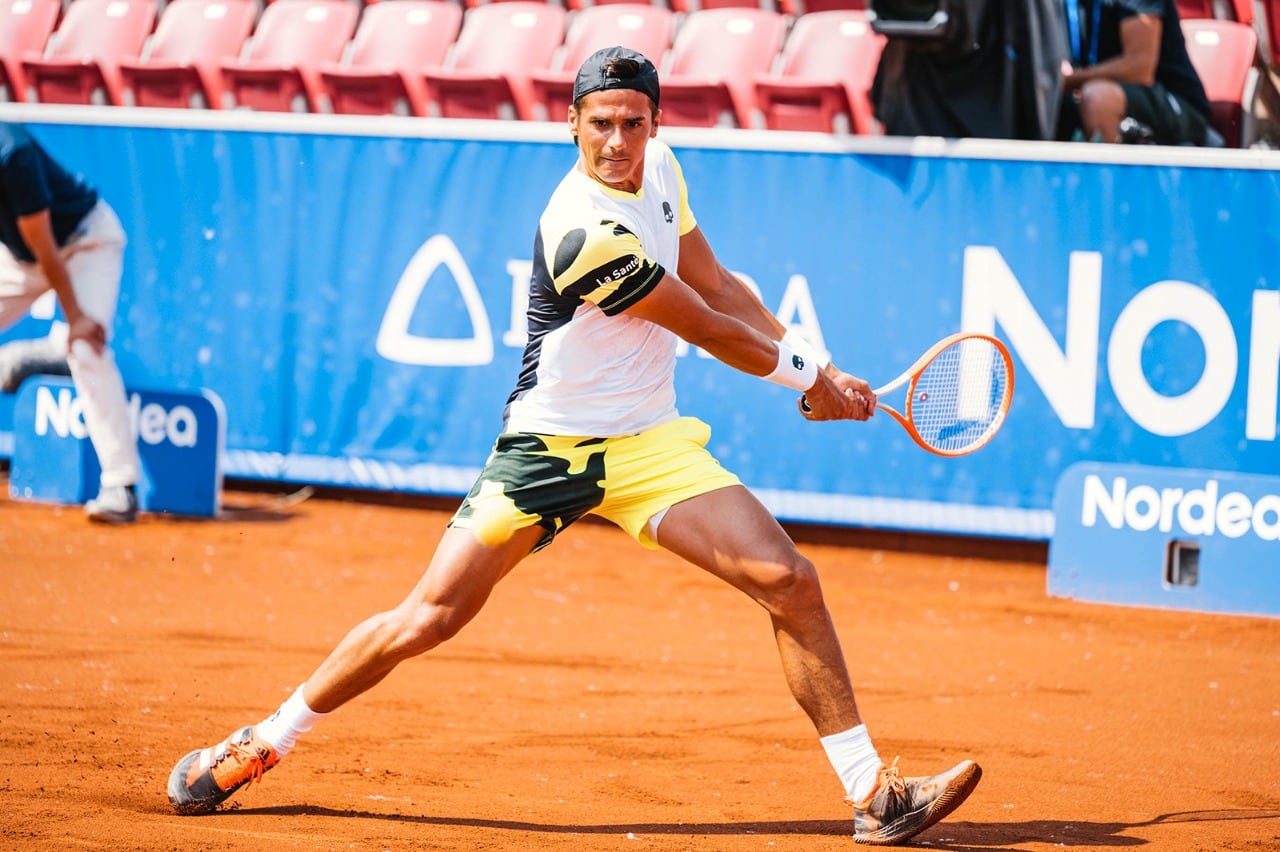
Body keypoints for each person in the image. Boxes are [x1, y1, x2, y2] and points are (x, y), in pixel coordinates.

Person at [166, 47, 983, 845]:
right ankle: (264, 741)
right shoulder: (581, 231)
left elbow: (722, 285)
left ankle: (873, 795)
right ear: (571, 125)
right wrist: (808, 381)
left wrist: (825, 369)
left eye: (633, 123)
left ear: (656, 123)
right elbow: (702, 325)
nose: (618, 142)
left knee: (789, 580)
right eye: (600, 124)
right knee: (428, 618)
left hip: (650, 445)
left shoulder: (662, 170)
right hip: (548, 452)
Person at [0, 121, 141, 523]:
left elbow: (45, 246)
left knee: (86, 347)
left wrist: (77, 317)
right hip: (19, 256)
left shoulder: (13, 154)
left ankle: (120, 486)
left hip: (84, 244)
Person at [1056, 0, 1211, 145]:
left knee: (1098, 98)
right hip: (1090, 89)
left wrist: (1064, 80)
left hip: (1175, 102)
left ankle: (1106, 174)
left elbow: (1140, 69)